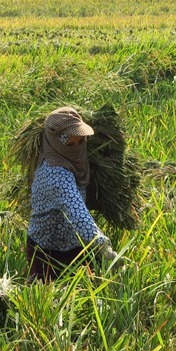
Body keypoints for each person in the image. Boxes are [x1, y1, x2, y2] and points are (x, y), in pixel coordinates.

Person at [26, 107, 117, 281]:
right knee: (49, 302)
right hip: (47, 251)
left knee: (86, 295)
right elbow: (77, 212)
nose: (76, 149)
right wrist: (103, 247)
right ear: (55, 143)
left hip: (75, 244)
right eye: (69, 144)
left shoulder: (73, 162)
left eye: (80, 142)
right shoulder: (55, 174)